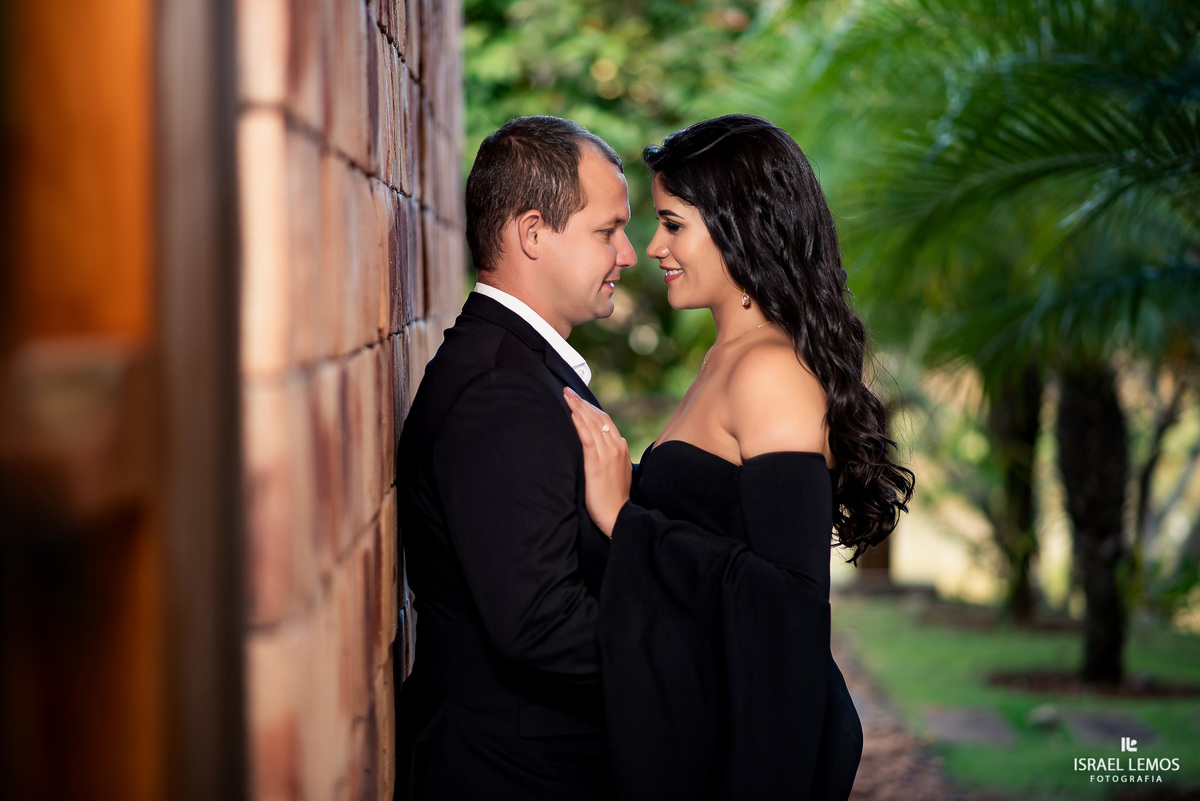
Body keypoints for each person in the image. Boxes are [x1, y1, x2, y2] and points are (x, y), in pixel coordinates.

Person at [562, 114, 915, 800]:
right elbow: (716, 521)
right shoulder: (725, 356)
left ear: (739, 226)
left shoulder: (770, 373)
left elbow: (788, 604)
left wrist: (623, 516)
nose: (652, 245)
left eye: (672, 223)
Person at [393, 116, 636, 800]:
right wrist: (696, 654)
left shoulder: (519, 368)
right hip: (510, 772)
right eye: (607, 231)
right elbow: (539, 624)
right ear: (533, 233)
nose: (629, 254)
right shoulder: (502, 388)